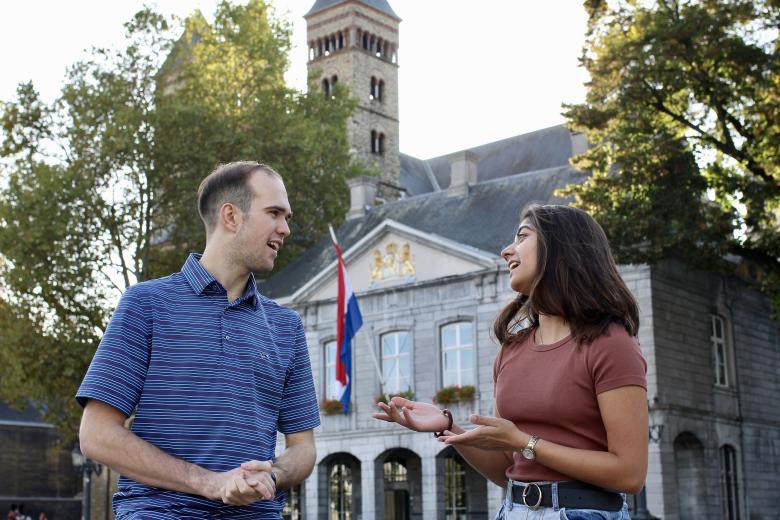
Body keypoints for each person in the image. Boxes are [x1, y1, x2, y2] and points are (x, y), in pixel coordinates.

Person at [76, 161, 320, 518]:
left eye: (287, 217)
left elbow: (304, 448)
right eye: (274, 213)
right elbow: (96, 435)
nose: (285, 228)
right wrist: (211, 482)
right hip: (159, 511)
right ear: (231, 216)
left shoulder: (287, 326)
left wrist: (272, 475)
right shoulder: (146, 304)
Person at [374, 204, 648, 519]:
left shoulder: (611, 344)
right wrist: (450, 428)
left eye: (522, 237)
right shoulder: (512, 350)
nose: (507, 251)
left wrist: (524, 441)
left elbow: (630, 474)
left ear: (560, 249)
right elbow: (507, 466)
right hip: (514, 509)